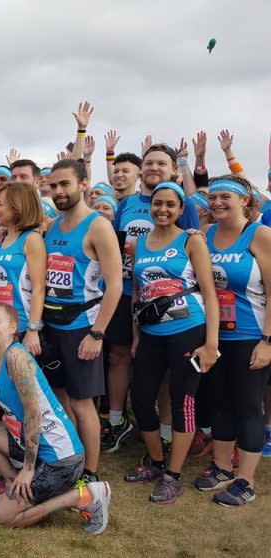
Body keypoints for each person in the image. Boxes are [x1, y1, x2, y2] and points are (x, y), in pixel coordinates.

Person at [0, 302, 111, 534]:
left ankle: (85, 496)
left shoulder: (17, 359)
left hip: (60, 459)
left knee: (3, 516)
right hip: (31, 446)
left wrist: (28, 468)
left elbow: (34, 416)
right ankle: (14, 485)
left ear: (13, 327)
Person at [124, 181, 218, 504]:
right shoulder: (139, 243)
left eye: (170, 205)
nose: (162, 209)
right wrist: (136, 336)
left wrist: (211, 343)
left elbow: (209, 293)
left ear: (180, 210)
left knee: (184, 402)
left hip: (188, 329)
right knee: (140, 398)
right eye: (157, 203)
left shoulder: (191, 241)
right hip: (151, 333)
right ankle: (155, 462)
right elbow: (137, 292)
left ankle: (173, 475)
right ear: (150, 206)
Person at [104, 145, 200, 454]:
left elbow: (192, 244)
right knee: (120, 355)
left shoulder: (182, 204)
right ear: (141, 169)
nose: (153, 167)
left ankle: (168, 430)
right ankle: (117, 422)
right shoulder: (128, 203)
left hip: (171, 302)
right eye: (148, 162)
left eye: (161, 163)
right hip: (128, 292)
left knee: (168, 370)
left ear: (174, 170)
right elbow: (114, 244)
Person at [43, 159, 122, 482]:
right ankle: (69, 463)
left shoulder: (98, 226)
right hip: (51, 325)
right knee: (59, 400)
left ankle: (89, 473)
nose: (59, 191)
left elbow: (114, 284)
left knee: (82, 403)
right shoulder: (51, 225)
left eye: (65, 184)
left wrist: (97, 333)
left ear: (83, 184)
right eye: (54, 186)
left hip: (82, 327)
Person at [194, 175, 271, 506]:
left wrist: (268, 340)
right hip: (214, 337)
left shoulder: (260, 234)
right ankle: (222, 468)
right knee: (220, 403)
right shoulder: (204, 234)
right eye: (212, 197)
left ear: (245, 200)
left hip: (251, 335)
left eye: (225, 196)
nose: (217, 203)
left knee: (248, 406)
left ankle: (246, 480)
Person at [0, 182, 46, 356]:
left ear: (18, 207)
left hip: (20, 329)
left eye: (0, 204)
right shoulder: (1, 238)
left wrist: (33, 330)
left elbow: (39, 288)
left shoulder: (32, 239)